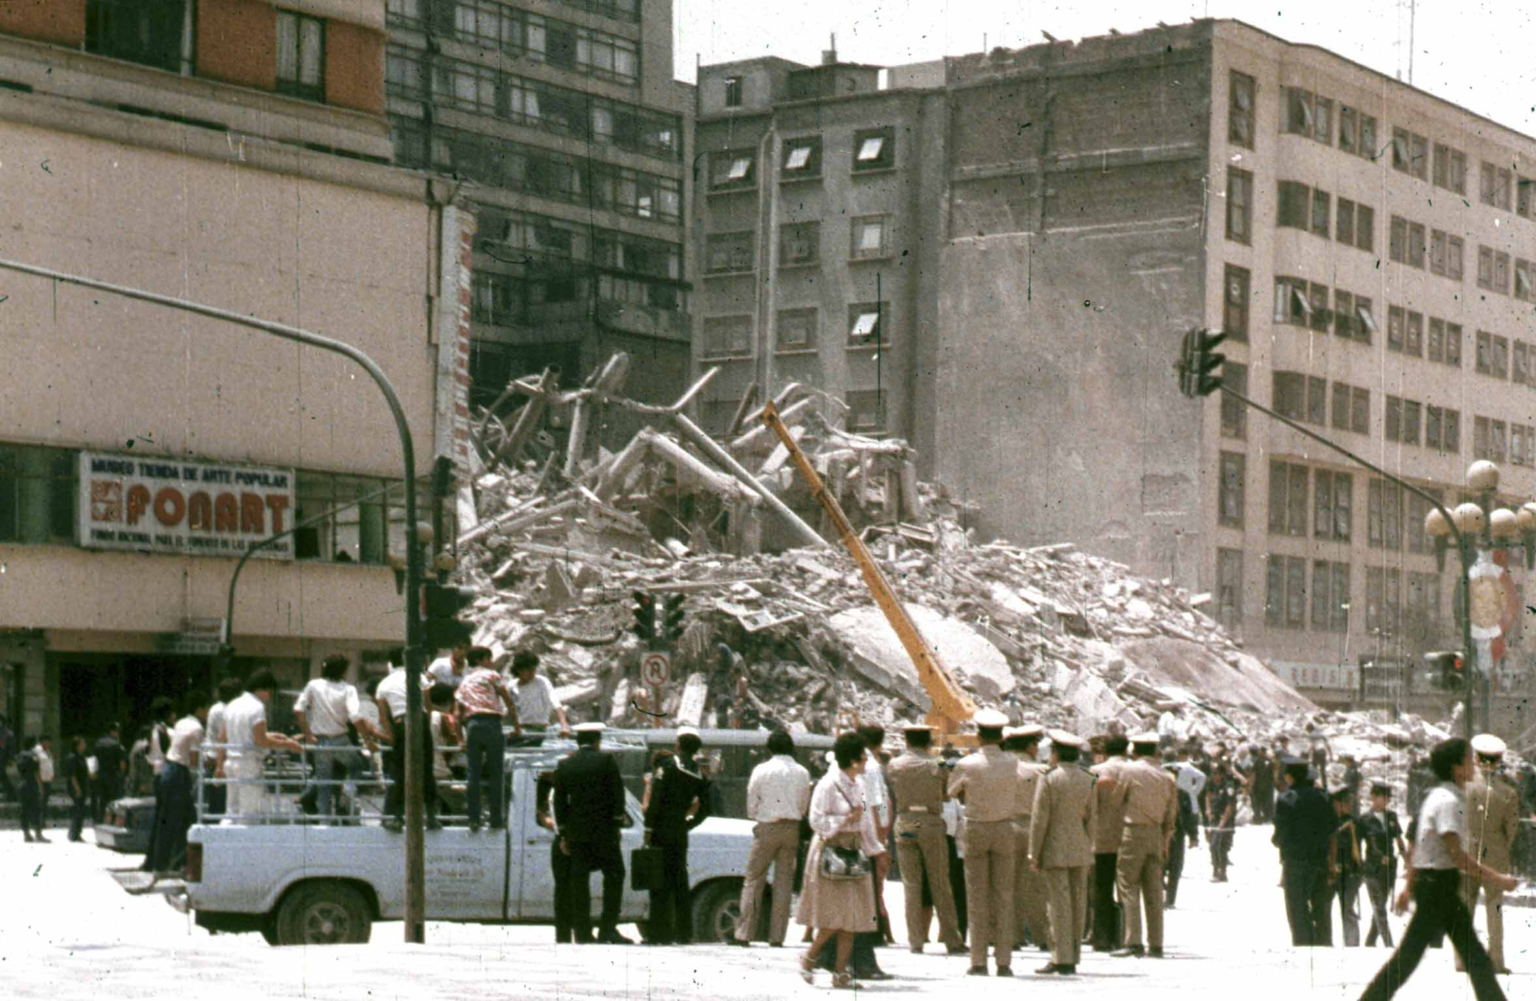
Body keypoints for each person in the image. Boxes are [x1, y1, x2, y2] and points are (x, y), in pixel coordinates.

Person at [1357, 737, 1515, 1001]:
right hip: (1437, 886)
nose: (1473, 765)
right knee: (1411, 958)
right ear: (1456, 768)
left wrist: (1409, 887)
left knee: (1470, 956)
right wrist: (1498, 878)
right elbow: (1457, 856)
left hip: (1436, 883)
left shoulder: (1441, 796)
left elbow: (1418, 848)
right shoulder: (1448, 803)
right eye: (1467, 760)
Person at [797, 731, 881, 990]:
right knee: (834, 917)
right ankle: (810, 956)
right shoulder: (828, 784)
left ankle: (840, 972)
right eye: (863, 757)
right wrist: (845, 820)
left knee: (853, 918)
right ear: (854, 760)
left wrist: (875, 849)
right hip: (832, 854)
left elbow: (865, 821)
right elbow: (816, 821)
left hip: (855, 854)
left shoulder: (860, 785)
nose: (866, 761)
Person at [948, 709, 1017, 977]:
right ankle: (1004, 961)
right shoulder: (1012, 762)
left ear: (979, 736)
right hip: (1004, 827)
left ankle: (978, 961)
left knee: (977, 896)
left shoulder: (968, 764)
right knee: (1004, 895)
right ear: (1000, 736)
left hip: (976, 827)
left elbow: (950, 792)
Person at [552, 722, 632, 945]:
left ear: (578, 741)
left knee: (579, 883)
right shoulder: (606, 761)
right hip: (605, 832)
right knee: (615, 876)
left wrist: (564, 834)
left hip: (576, 835)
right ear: (597, 741)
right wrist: (617, 824)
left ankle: (583, 933)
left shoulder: (565, 765)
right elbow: (618, 795)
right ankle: (608, 929)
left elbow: (560, 803)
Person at [732, 728, 812, 949]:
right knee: (784, 883)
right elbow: (804, 804)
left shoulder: (761, 769)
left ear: (769, 748)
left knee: (754, 879)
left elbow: (752, 800)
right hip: (792, 828)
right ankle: (777, 937)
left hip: (767, 826)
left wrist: (757, 816)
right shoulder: (802, 772)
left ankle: (744, 933)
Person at [1030, 730, 1096, 976]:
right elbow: (1092, 818)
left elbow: (1040, 820)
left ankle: (1060, 957)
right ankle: (1073, 956)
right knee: (1077, 904)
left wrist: (1033, 853)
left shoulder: (1048, 779)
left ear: (1056, 753)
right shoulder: (1089, 778)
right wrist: (1090, 849)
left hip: (1054, 849)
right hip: (1080, 848)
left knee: (1058, 905)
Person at [1457, 733, 1520, 975]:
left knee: (1465, 906)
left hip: (1467, 852)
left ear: (1476, 758)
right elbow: (1512, 829)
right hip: (1495, 855)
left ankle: (1461, 959)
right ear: (1499, 760)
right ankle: (1496, 960)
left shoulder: (1463, 786)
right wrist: (1500, 846)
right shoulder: (1508, 793)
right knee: (1494, 908)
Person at [643, 725, 711, 946]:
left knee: (658, 881)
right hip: (680, 830)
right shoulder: (699, 773)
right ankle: (683, 933)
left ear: (678, 744)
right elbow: (705, 808)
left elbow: (655, 801)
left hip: (661, 828)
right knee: (680, 882)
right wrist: (688, 823)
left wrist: (648, 829)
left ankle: (658, 933)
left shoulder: (667, 766)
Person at [1111, 732, 1177, 958]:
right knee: (1154, 890)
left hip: (1133, 832)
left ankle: (1133, 941)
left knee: (1128, 887)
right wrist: (1165, 841)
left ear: (1135, 750)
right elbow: (1171, 815)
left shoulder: (1130, 771)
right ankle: (1156, 943)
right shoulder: (1167, 776)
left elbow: (1116, 801)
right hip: (1156, 834)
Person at [295, 655, 380, 823]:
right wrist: (368, 742)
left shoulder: (313, 685)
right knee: (358, 766)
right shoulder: (348, 689)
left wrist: (307, 734)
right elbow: (356, 716)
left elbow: (298, 709)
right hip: (340, 739)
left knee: (324, 785)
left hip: (320, 742)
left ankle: (324, 821)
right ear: (343, 671)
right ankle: (348, 789)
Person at [217, 670, 304, 821]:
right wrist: (288, 744)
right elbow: (260, 741)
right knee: (249, 815)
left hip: (231, 763)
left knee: (231, 811)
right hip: (248, 765)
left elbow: (223, 737)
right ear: (265, 690)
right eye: (270, 694)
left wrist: (276, 736)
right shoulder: (257, 708)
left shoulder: (232, 705)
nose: (269, 699)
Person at [454, 646, 519, 832]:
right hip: (492, 723)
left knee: (473, 774)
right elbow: (508, 700)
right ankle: (496, 819)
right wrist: (516, 727)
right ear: (483, 660)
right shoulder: (492, 675)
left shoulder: (464, 681)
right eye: (489, 659)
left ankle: (474, 819)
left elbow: (457, 712)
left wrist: (460, 739)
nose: (491, 663)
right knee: (495, 773)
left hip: (472, 725)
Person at [1273, 756, 1336, 946]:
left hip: (1295, 861)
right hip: (1320, 860)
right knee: (1320, 908)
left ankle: (1303, 945)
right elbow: (1333, 829)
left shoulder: (1286, 799)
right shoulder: (1323, 796)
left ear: (1290, 777)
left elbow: (1280, 835)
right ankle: (1323, 944)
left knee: (1297, 909)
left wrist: (1277, 842)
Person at [147, 696, 210, 876]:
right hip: (178, 773)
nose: (206, 714)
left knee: (174, 820)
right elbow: (194, 760)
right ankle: (172, 865)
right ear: (199, 709)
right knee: (186, 821)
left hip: (168, 769)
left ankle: (167, 865)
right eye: (205, 709)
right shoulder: (197, 728)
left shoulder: (181, 722)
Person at [1003, 725, 1051, 954]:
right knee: (1036, 886)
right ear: (1031, 745)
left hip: (1007, 826)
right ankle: (1042, 936)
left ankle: (1013, 936)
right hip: (1033, 828)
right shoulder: (1042, 770)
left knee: (1009, 884)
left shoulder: (1003, 768)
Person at [1087, 733, 1130, 952]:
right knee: (1127, 891)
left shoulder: (1095, 772)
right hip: (1127, 839)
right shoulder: (1133, 771)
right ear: (1126, 750)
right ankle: (1126, 936)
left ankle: (1102, 937)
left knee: (1101, 890)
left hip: (1101, 839)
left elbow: (1088, 808)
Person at [1359, 783, 1407, 948]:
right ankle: (1389, 945)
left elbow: (1399, 840)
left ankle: (1369, 942)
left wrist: (1406, 859)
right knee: (1379, 907)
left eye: (1388, 797)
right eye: (1382, 796)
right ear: (1373, 796)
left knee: (1380, 906)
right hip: (1372, 869)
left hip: (1389, 869)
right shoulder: (1364, 819)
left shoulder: (1391, 817)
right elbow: (1357, 844)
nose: (1385, 801)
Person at [534, 760, 574, 943]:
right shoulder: (560, 790)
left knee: (563, 890)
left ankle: (564, 935)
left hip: (563, 839)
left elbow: (549, 818)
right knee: (569, 889)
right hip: (566, 840)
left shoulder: (556, 790)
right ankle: (568, 934)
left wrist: (544, 819)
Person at [1162, 752, 1199, 908]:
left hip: (1178, 835)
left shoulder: (1184, 795)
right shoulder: (1160, 793)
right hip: (1161, 835)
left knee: (1175, 868)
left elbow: (1190, 816)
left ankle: (1170, 900)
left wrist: (1193, 835)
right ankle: (1160, 894)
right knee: (1159, 867)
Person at [204, 678, 243, 819]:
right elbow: (226, 736)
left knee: (223, 803)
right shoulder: (222, 710)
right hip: (218, 761)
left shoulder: (220, 708)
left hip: (219, 759)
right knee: (220, 804)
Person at [1330, 787, 1363, 947]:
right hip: (1330, 872)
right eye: (1345, 802)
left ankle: (1352, 945)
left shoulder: (1354, 822)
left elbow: (1359, 848)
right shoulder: (1327, 822)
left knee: (1347, 910)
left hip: (1349, 873)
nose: (1349, 805)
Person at [509, 651, 571, 737]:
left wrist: (564, 725)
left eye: (533, 669)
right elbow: (510, 709)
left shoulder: (542, 682)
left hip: (541, 729)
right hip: (522, 729)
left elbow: (555, 703)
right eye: (528, 670)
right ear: (519, 670)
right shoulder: (512, 686)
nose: (532, 673)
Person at [1205, 760, 1240, 882]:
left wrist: (1223, 822)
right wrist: (1208, 810)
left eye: (1216, 773)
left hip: (1225, 821)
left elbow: (1230, 805)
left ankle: (1222, 872)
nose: (1214, 776)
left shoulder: (1228, 786)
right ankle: (1216, 870)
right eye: (1213, 773)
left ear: (1222, 774)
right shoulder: (1212, 784)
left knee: (1220, 846)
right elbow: (1208, 797)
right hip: (1214, 819)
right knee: (1213, 846)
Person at [91, 724, 127, 824]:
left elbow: (93, 760)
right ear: (113, 732)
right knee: (114, 800)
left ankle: (101, 821)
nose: (118, 734)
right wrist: (122, 775)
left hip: (100, 776)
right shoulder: (117, 744)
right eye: (117, 732)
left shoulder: (98, 743)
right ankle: (111, 822)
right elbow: (122, 763)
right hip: (113, 776)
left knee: (103, 800)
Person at [16, 736, 47, 842]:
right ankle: (38, 833)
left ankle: (26, 834)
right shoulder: (33, 756)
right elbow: (36, 773)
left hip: (22, 783)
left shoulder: (19, 755)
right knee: (36, 809)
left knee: (24, 809)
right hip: (32, 785)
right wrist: (41, 787)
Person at [65, 736, 90, 842]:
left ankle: (76, 832)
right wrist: (77, 789)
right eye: (82, 743)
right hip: (76, 787)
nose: (84, 745)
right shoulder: (72, 758)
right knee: (78, 810)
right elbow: (72, 776)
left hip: (83, 786)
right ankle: (74, 833)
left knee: (80, 810)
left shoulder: (82, 757)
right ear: (77, 746)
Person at [1250, 745, 1276, 824]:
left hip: (1259, 785)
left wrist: (1251, 785)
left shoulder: (1257, 761)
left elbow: (1253, 774)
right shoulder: (1269, 761)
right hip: (1268, 785)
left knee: (1258, 802)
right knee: (1268, 802)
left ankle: (1259, 819)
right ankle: (1268, 818)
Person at [127, 728, 154, 797]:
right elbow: (143, 767)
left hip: (133, 777)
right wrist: (143, 785)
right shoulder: (144, 746)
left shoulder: (136, 744)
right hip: (140, 783)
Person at [0, 713, 14, 802]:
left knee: (3, 777)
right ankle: (11, 794)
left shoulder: (8, 734)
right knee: (3, 777)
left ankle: (12, 794)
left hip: (3, 759)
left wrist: (10, 759)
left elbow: (11, 748)